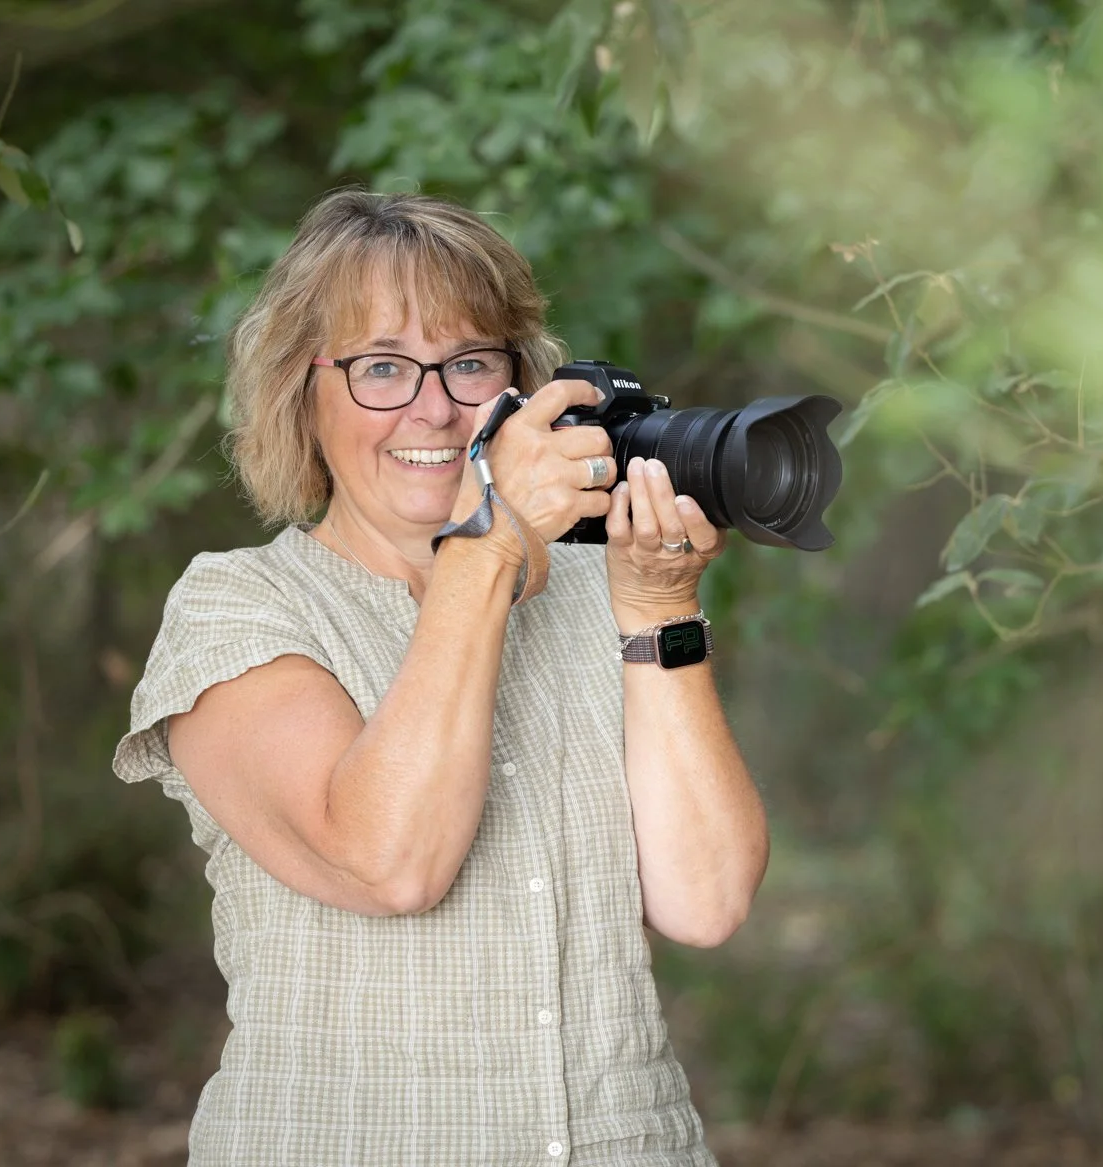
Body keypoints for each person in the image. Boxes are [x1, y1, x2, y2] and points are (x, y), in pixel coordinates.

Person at [113, 188, 768, 1166]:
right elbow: (388, 862)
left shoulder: (599, 594)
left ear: (517, 386)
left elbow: (706, 900)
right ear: (303, 389)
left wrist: (660, 611)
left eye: (468, 362)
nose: (433, 405)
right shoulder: (238, 608)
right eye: (382, 367)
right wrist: (489, 542)